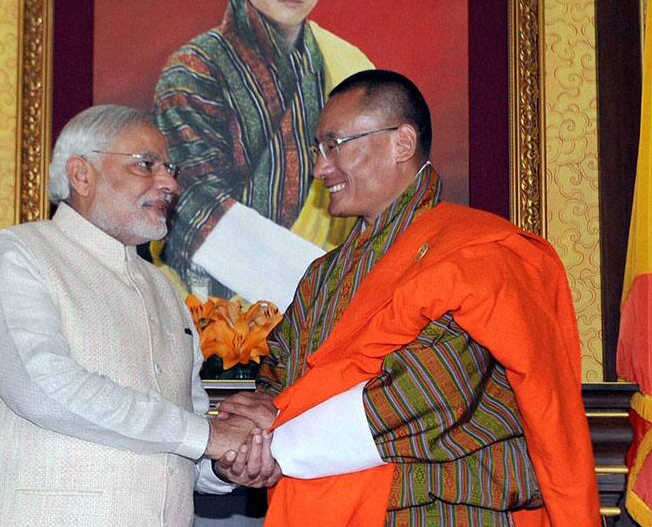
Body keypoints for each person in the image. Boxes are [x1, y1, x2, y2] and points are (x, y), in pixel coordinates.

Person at [220, 70, 601, 525]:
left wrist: (270, 441)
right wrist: (257, 435)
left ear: (401, 142)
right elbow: (279, 372)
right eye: (318, 150)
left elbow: (426, 394)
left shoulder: (478, 255)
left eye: (334, 145)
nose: (321, 169)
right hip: (325, 502)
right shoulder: (323, 276)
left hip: (439, 510)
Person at [0, 105, 266, 526]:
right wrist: (209, 437)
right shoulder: (17, 253)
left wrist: (223, 467)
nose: (169, 182)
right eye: (146, 165)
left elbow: (183, 430)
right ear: (81, 174)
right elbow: (43, 388)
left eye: (170, 168)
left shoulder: (164, 290)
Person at [153, 0, 372, 309]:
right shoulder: (195, 69)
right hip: (206, 307)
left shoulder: (346, 65)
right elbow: (193, 201)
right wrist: (311, 291)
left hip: (326, 304)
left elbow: (375, 194)